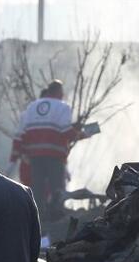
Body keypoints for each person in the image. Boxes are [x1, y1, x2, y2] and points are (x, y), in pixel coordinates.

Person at [10, 80, 86, 218]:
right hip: (54, 155)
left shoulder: (32, 107)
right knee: (56, 186)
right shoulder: (63, 107)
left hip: (35, 156)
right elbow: (65, 130)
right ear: (58, 92)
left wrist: (15, 156)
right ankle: (56, 214)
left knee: (37, 187)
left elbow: (23, 132)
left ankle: (38, 216)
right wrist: (81, 135)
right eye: (61, 92)